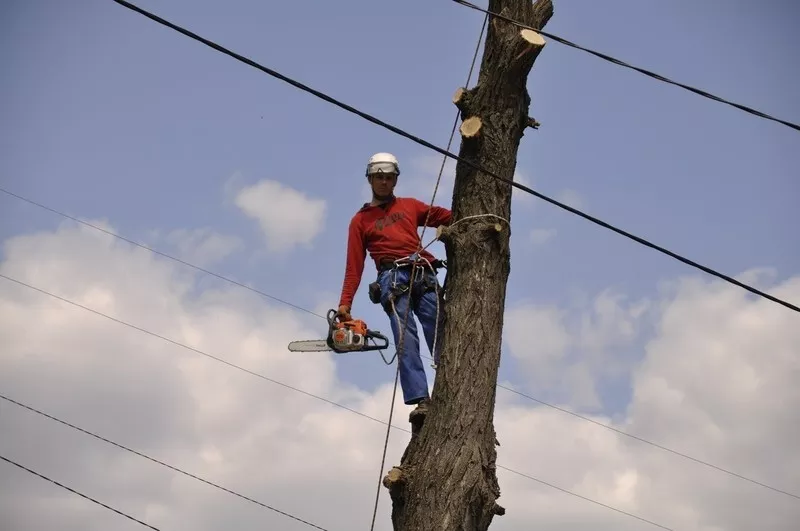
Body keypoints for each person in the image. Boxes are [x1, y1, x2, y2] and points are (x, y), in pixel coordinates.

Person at [337, 152, 451, 424]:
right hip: (392, 278)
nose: (384, 182)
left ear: (395, 180)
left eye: (389, 178)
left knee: (441, 331)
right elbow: (354, 266)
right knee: (405, 337)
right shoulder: (360, 221)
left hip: (422, 273)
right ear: (370, 179)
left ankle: (450, 389)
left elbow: (445, 215)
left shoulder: (410, 206)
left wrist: (456, 221)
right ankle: (422, 399)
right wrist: (345, 303)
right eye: (379, 177)